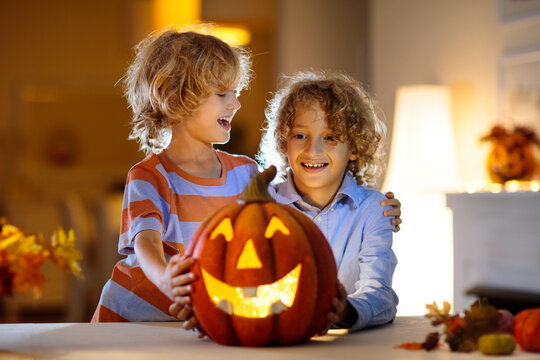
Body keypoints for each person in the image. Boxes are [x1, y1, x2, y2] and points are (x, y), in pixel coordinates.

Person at [92, 26, 401, 324]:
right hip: (129, 313)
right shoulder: (149, 175)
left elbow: (277, 222)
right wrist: (165, 279)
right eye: (223, 94)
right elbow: (146, 241)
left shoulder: (244, 172)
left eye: (235, 92)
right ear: (176, 98)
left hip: (190, 315)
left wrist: (378, 207)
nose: (236, 103)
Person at [256, 70, 399, 332]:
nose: (313, 150)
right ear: (283, 142)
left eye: (330, 137)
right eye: (300, 135)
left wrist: (346, 310)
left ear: (354, 147)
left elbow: (380, 294)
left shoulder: (374, 210)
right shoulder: (263, 206)